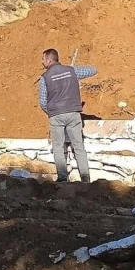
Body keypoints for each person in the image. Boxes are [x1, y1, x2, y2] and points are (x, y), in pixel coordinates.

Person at [38, 49, 98, 183]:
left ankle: (63, 178)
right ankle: (85, 178)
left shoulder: (44, 78)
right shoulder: (71, 71)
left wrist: (52, 112)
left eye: (43, 59)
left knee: (58, 147)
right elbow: (93, 70)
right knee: (78, 146)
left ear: (49, 60)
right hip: (73, 113)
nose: (42, 62)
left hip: (56, 115)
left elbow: (42, 102)